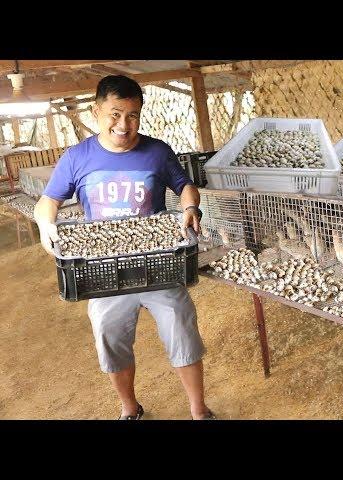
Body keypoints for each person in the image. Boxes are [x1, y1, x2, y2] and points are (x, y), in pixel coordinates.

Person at [34, 75, 214, 420]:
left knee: (182, 332)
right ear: (96, 110)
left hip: (159, 262)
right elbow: (48, 202)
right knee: (110, 340)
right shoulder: (77, 157)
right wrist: (45, 224)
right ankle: (130, 408)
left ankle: (198, 409)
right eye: (115, 114)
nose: (123, 124)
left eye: (133, 115)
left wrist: (191, 208)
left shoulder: (157, 151)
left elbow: (185, 186)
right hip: (104, 269)